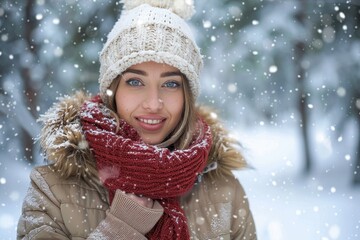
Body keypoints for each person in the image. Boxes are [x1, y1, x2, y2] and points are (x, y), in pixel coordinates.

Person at [17, 0, 257, 239]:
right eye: (135, 82)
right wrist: (121, 228)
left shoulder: (225, 192)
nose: (153, 103)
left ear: (187, 96)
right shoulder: (52, 189)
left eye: (171, 84)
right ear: (112, 90)